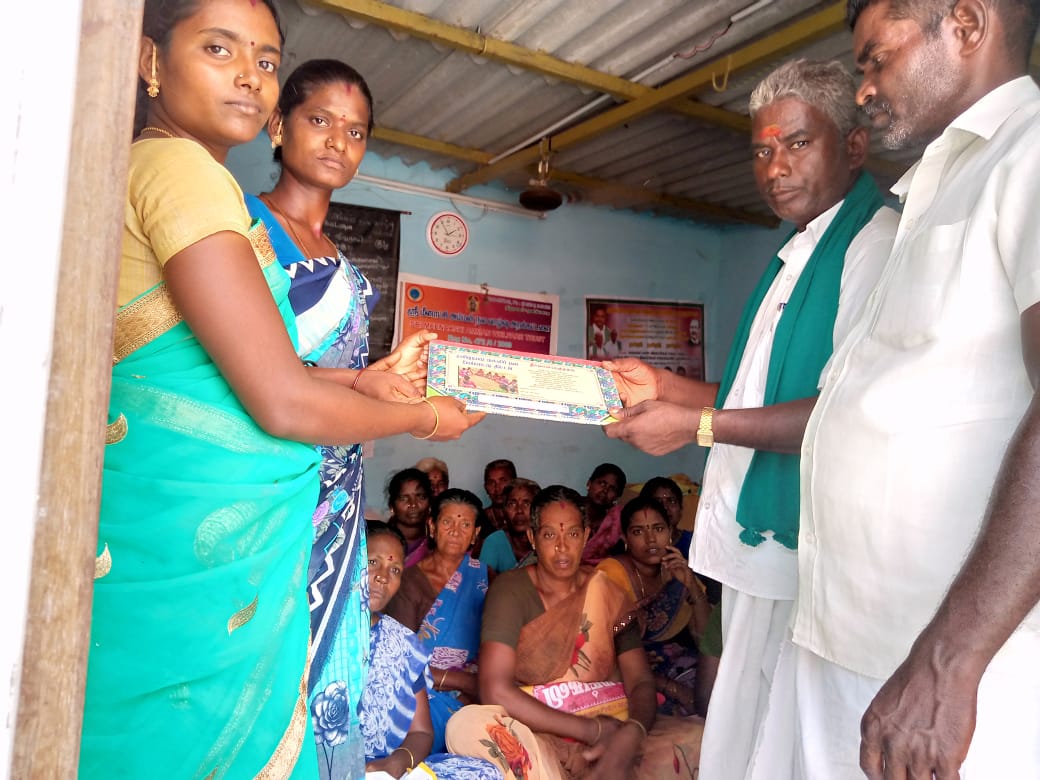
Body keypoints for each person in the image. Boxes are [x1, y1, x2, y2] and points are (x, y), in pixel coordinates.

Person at [85, 2, 483, 777]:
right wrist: (425, 419)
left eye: (265, 60)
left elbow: (262, 365)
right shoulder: (198, 187)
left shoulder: (206, 190)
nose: (248, 75)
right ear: (151, 60)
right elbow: (279, 394)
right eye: (219, 49)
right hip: (229, 505)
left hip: (298, 498)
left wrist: (367, 379)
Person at [759, 1, 1040, 777]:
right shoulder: (935, 189)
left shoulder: (1029, 155)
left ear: (967, 24)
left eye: (876, 59)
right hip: (858, 638)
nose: (864, 90)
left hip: (949, 663)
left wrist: (952, 660)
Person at [604, 58, 898, 780]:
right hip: (758, 554)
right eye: (762, 150)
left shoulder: (874, 243)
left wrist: (694, 427)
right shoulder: (794, 254)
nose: (775, 167)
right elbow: (752, 394)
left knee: (799, 748)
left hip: (811, 553)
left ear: (854, 145)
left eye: (797, 143)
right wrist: (663, 385)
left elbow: (842, 411)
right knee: (746, 732)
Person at [243, 58, 454, 779]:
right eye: (320, 120)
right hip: (273, 488)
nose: (338, 141)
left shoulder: (339, 260)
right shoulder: (246, 234)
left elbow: (331, 374)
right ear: (278, 126)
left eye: (356, 131)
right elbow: (261, 377)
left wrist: (387, 374)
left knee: (327, 680)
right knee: (266, 669)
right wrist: (417, 416)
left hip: (337, 501)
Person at [446, 485, 702, 779]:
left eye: (572, 534)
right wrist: (592, 731)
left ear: (587, 535)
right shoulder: (510, 590)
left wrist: (634, 732)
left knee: (699, 738)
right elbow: (495, 689)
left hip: (608, 719)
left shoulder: (607, 592)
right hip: (536, 725)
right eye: (549, 535)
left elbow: (640, 680)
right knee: (465, 727)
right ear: (532, 538)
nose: (562, 547)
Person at [349, 521, 502, 779]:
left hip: (388, 768)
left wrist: (397, 763)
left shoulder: (403, 644)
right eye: (372, 562)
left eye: (395, 569)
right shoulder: (312, 636)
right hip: (324, 767)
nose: (383, 577)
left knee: (485, 772)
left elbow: (421, 732)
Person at [386, 488, 490, 752]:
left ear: (476, 533)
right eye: (447, 522)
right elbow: (400, 662)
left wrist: (478, 689)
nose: (455, 531)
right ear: (432, 527)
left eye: (465, 525)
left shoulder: (488, 578)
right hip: (423, 695)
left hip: (479, 694)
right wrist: (464, 683)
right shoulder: (409, 582)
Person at [596, 496, 711, 716]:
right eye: (638, 531)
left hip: (673, 663)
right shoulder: (610, 574)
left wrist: (691, 586)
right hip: (626, 671)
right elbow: (601, 653)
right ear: (625, 538)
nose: (650, 540)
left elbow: (706, 640)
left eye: (658, 529)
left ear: (670, 532)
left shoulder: (676, 569)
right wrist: (673, 688)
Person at [479, 477, 541, 572]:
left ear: (538, 510)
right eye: (512, 504)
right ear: (504, 510)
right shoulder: (495, 541)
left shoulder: (547, 539)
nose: (519, 510)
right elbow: (482, 578)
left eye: (527, 504)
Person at [579, 462, 627, 565]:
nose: (605, 490)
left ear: (616, 497)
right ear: (589, 483)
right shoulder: (569, 510)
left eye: (612, 488)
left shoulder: (614, 526)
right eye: (602, 483)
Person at [387, 467, 435, 566]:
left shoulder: (438, 547)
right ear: (392, 506)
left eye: (421, 497)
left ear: (430, 504)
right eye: (403, 498)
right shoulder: (375, 542)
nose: (413, 504)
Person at [479, 458, 517, 541]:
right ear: (485, 487)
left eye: (503, 481)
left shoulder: (525, 516)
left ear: (515, 483)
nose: (497, 488)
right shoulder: (479, 519)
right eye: (491, 483)